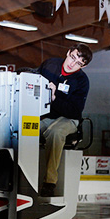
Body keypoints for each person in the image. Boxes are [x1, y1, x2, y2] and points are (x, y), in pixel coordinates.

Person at [38, 43, 93, 197]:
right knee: (21, 130)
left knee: (55, 132)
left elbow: (74, 111)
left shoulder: (82, 81)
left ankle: (49, 182)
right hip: (45, 116)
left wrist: (54, 98)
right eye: (72, 57)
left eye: (78, 63)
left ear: (84, 66)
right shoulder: (50, 65)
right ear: (68, 52)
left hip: (68, 119)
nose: (72, 64)